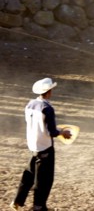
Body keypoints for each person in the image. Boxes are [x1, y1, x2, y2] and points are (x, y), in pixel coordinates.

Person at [10, 77, 72, 211]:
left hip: (33, 145)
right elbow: (52, 132)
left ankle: (17, 201)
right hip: (45, 147)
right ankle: (39, 206)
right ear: (49, 91)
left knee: (28, 175)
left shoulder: (30, 104)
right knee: (44, 180)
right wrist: (63, 132)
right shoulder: (47, 108)